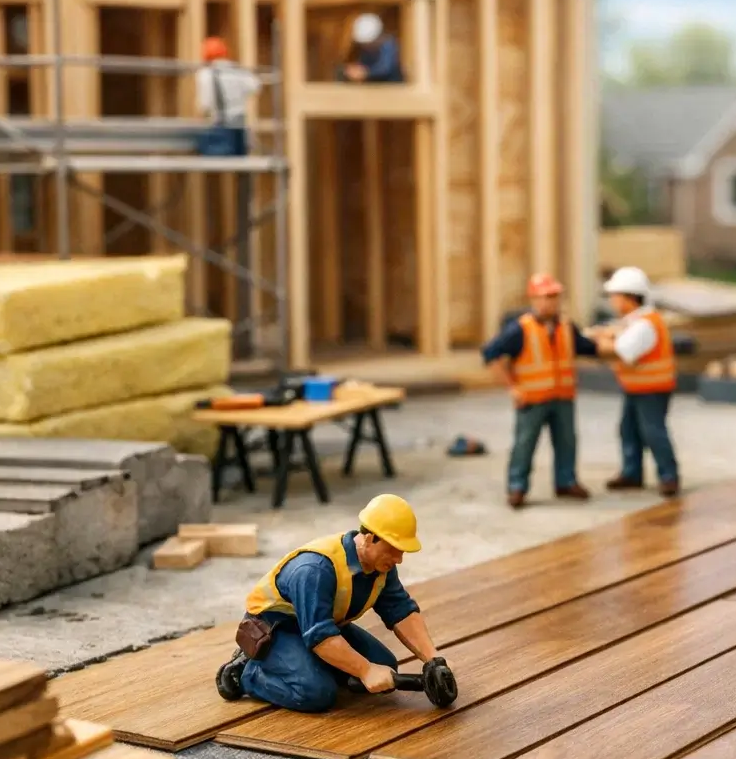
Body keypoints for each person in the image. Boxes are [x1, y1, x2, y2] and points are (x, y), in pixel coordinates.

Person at [214, 495, 448, 714]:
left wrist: (433, 660)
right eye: (393, 550)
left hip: (323, 625)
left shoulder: (380, 567)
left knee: (385, 665)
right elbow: (319, 636)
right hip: (277, 628)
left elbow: (401, 611)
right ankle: (248, 671)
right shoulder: (316, 569)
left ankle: (317, 666)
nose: (399, 559)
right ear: (369, 538)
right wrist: (364, 670)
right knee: (316, 693)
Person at [480, 273, 597, 509]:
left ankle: (566, 481)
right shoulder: (520, 329)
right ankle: (517, 487)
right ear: (533, 299)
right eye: (546, 297)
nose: (551, 302)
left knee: (567, 441)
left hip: (562, 397)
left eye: (555, 297)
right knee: (524, 444)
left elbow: (587, 346)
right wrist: (512, 387)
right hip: (532, 399)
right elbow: (490, 353)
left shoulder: (566, 326)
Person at [591, 266, 680, 497]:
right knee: (628, 429)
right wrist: (606, 333)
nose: (611, 301)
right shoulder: (635, 321)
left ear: (628, 297)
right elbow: (617, 333)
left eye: (614, 296)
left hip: (651, 389)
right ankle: (632, 473)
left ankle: (669, 475)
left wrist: (597, 343)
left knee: (653, 432)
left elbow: (622, 350)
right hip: (637, 387)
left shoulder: (644, 325)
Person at [194, 36, 262, 157]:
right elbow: (255, 86)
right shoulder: (237, 70)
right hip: (240, 130)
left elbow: (205, 105)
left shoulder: (206, 74)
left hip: (222, 130)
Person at [341, 13, 404, 84]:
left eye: (369, 43)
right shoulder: (364, 49)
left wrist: (366, 73)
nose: (366, 46)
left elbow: (386, 68)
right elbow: (363, 63)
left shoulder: (389, 45)